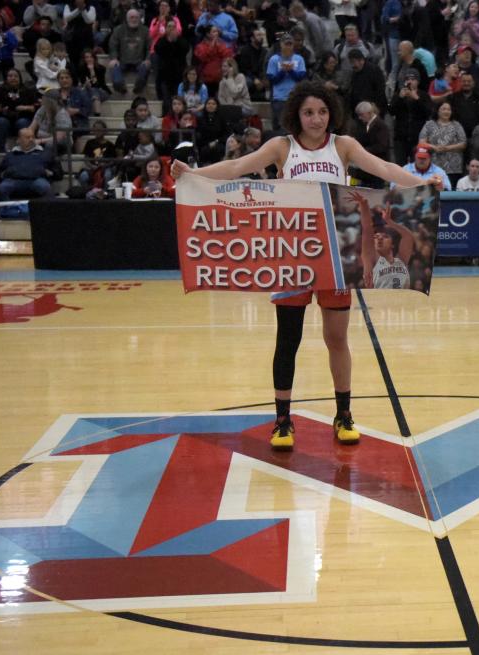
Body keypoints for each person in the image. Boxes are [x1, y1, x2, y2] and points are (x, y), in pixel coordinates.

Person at [170, 82, 443, 452]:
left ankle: (343, 414)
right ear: (296, 115)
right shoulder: (281, 146)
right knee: (288, 340)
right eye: (309, 112)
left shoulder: (343, 145)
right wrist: (194, 174)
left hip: (336, 253)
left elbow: (385, 167)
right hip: (292, 254)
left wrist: (423, 183)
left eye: (323, 112)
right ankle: (282, 421)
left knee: (337, 338)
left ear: (332, 113)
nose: (316, 119)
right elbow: (236, 166)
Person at [353, 194, 414, 290]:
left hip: (403, 302)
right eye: (376, 237)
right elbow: (367, 228)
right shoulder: (371, 260)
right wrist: (364, 204)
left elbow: (408, 236)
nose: (380, 238)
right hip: (380, 302)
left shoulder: (401, 259)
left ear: (392, 245)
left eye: (385, 237)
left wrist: (390, 222)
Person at [418, 101, 467, 188]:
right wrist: (434, 147)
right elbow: (421, 142)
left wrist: (447, 148)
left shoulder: (456, 125)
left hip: (453, 167)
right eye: (443, 109)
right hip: (433, 166)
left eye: (449, 109)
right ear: (437, 111)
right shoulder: (429, 124)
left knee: (450, 192)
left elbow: (463, 143)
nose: (446, 111)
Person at [0, 70, 39, 153]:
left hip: (22, 118)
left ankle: (25, 149)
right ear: (6, 78)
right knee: (1, 122)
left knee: (22, 122)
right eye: (10, 76)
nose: (13, 78)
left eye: (16, 76)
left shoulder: (28, 91)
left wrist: (26, 107)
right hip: (3, 117)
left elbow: (36, 106)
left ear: (20, 78)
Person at [0, 128, 55, 200]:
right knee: (3, 187)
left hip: (36, 180)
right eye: (27, 137)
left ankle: (46, 210)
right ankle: (6, 210)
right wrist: (4, 173)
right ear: (19, 140)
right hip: (14, 180)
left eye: (32, 137)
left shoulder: (45, 153)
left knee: (44, 186)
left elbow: (58, 173)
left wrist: (49, 172)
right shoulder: (10, 155)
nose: (31, 139)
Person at [267, 34, 308, 131]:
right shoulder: (274, 59)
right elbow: (272, 80)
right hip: (279, 98)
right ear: (281, 45)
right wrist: (282, 71)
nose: (288, 46)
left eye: (290, 44)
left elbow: (301, 78)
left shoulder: (299, 59)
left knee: (295, 125)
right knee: (281, 125)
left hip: (295, 97)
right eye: (286, 44)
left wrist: (290, 71)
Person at [109, 9, 151, 95]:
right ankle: (120, 87)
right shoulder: (118, 30)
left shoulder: (145, 30)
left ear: (139, 19)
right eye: (132, 17)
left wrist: (148, 59)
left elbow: (150, 47)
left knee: (145, 68)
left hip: (139, 61)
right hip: (122, 61)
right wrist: (114, 58)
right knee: (114, 67)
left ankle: (139, 87)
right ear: (127, 18)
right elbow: (113, 45)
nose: (134, 19)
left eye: (136, 17)